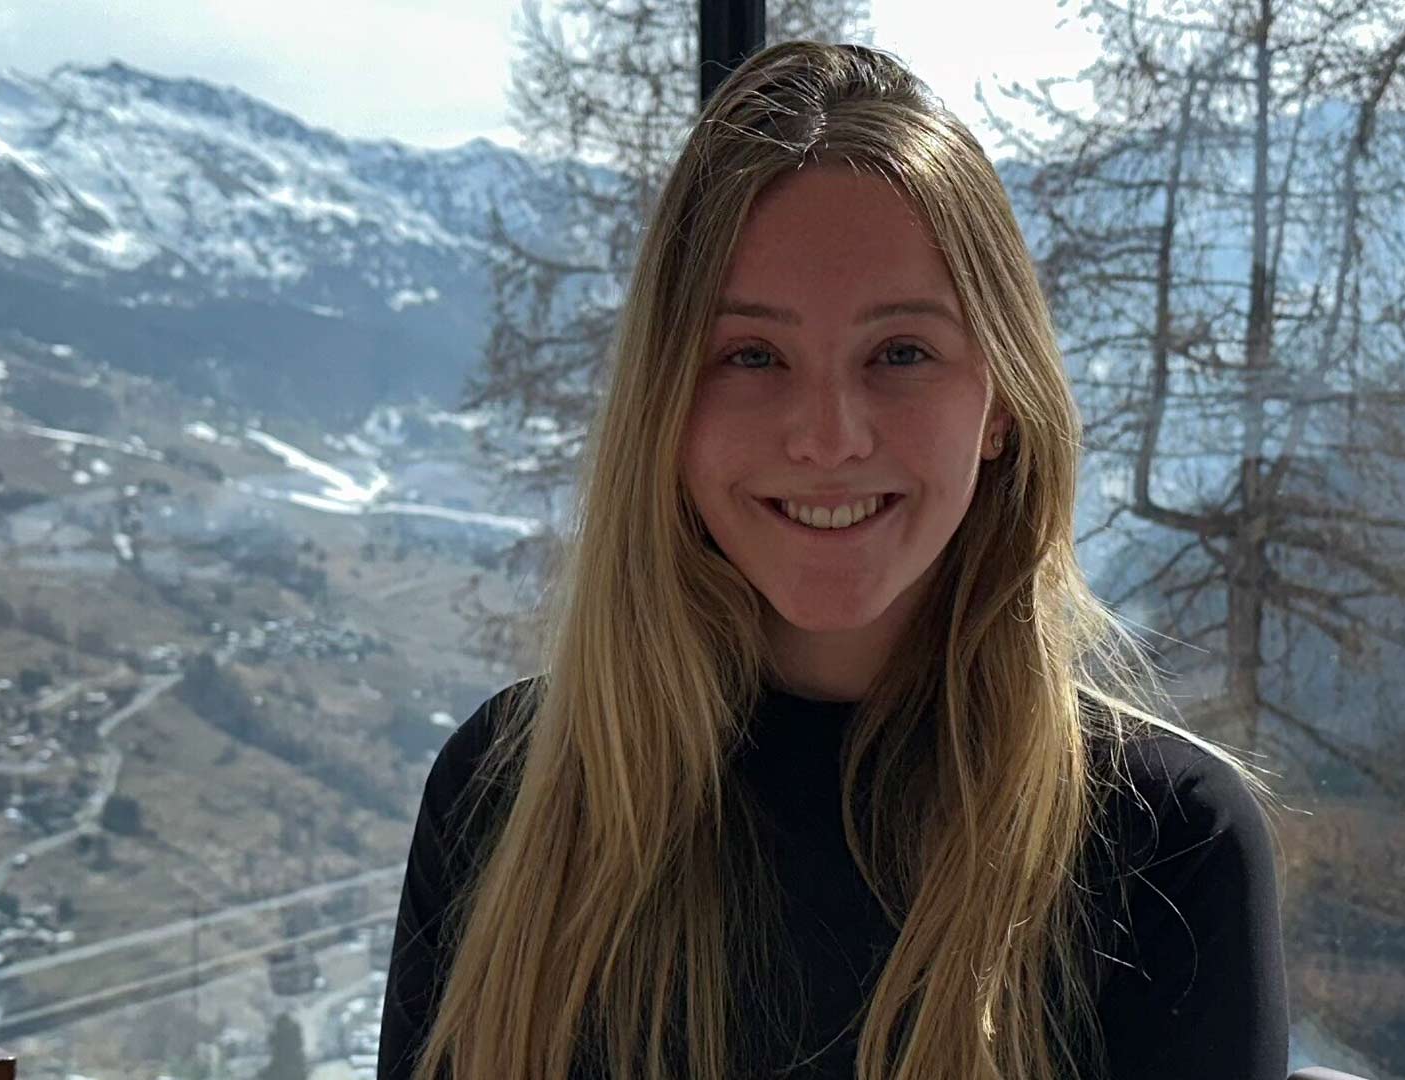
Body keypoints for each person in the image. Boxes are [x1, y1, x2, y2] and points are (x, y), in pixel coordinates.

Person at [378, 40, 1286, 1080]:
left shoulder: (1167, 850)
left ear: (998, 405)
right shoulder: (513, 795)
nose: (828, 436)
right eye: (752, 356)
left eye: (901, 353)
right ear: (667, 409)